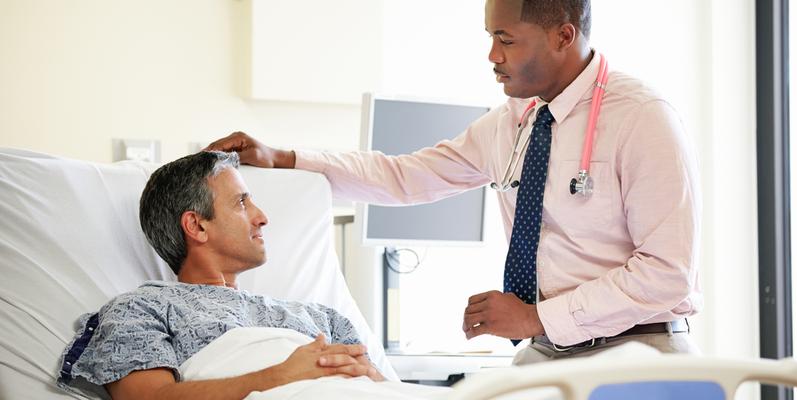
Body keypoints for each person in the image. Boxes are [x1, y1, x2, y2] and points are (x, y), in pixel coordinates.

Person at [207, 0, 702, 363]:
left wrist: (534, 317)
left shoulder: (640, 117)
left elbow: (666, 272)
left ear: (564, 36)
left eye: (506, 39)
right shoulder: (513, 123)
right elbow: (404, 177)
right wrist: (284, 158)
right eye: (490, 37)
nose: (492, 55)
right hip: (549, 352)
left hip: (642, 345)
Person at [57, 151, 383, 400]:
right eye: (242, 203)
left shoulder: (321, 316)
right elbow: (150, 398)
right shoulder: (140, 309)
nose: (262, 217)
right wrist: (281, 376)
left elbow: (383, 387)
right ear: (197, 226)